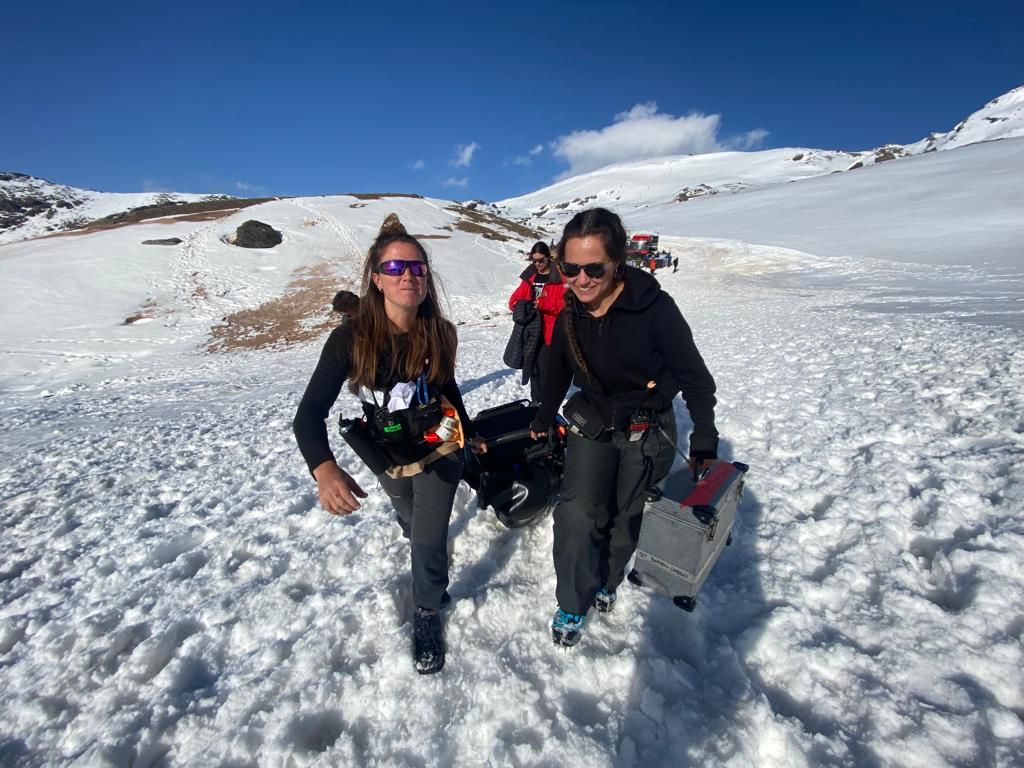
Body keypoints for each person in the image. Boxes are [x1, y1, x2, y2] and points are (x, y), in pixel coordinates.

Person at [293, 214, 481, 674]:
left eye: (417, 267)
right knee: (411, 518)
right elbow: (308, 415)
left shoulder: (441, 333)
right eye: (396, 269)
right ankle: (421, 550)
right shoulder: (349, 340)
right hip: (388, 452)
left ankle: (427, 609)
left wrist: (469, 438)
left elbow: (448, 391)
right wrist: (324, 468)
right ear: (376, 280)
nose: (409, 277)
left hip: (439, 445)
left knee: (429, 533)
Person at [529, 208, 719, 648]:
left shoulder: (655, 310)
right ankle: (572, 599)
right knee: (578, 512)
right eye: (570, 268)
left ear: (617, 263)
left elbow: (694, 377)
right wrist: (543, 415)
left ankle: (607, 580)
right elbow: (557, 368)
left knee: (626, 514)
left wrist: (704, 436)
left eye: (594, 268)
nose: (581, 279)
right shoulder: (572, 309)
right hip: (594, 421)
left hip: (645, 427)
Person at [507, 242, 567, 403]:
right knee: (532, 368)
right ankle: (536, 403)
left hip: (551, 331)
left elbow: (564, 304)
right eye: (534, 261)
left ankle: (548, 404)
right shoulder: (530, 276)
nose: (537, 264)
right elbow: (514, 299)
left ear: (548, 258)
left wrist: (541, 304)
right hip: (532, 329)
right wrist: (521, 307)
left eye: (541, 260)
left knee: (546, 370)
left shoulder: (559, 277)